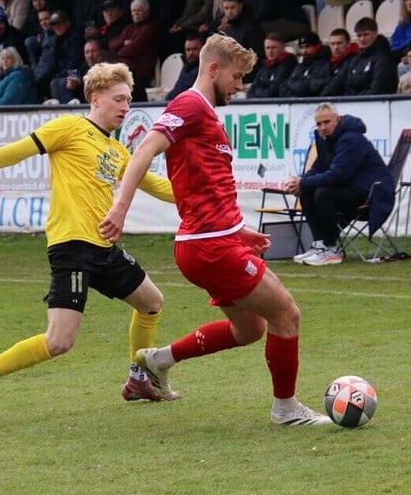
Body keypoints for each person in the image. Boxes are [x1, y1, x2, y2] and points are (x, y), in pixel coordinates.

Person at [99, 34, 332, 427]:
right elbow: (144, 150)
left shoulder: (203, 113)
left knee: (250, 329)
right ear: (213, 69)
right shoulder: (189, 104)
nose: (239, 87)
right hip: (209, 246)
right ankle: (286, 410)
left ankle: (157, 360)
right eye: (237, 77)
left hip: (212, 242)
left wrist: (239, 231)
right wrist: (120, 208)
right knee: (287, 315)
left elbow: (205, 190)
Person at [0, 62, 179, 429]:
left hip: (103, 248)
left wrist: (212, 192)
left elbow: (159, 187)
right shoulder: (70, 128)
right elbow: (18, 151)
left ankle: (138, 378)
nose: (126, 107)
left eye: (129, 99)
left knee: (151, 302)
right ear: (95, 98)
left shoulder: (118, 151)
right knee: (60, 340)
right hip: (73, 246)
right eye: (119, 99)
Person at [283, 102, 394, 266]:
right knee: (306, 191)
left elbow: (337, 176)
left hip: (372, 196)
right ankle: (319, 245)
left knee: (323, 193)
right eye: (319, 124)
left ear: (338, 119)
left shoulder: (351, 139)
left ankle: (330, 248)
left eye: (327, 122)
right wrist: (300, 182)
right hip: (351, 189)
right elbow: (318, 168)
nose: (323, 127)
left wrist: (304, 182)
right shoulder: (325, 139)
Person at [279, 31, 332, 98]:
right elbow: (282, 87)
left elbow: (307, 88)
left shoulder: (325, 63)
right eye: (301, 47)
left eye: (308, 47)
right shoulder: (301, 65)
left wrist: (290, 84)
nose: (304, 51)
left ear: (317, 46)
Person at [247, 33, 296, 98]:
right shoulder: (265, 66)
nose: (270, 51)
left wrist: (258, 92)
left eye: (274, 48)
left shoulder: (288, 65)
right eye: (267, 48)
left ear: (283, 47)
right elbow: (250, 92)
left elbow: (273, 92)